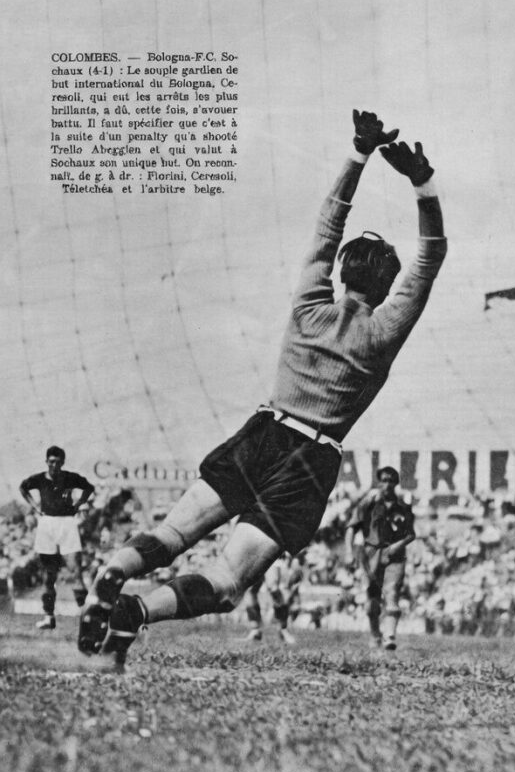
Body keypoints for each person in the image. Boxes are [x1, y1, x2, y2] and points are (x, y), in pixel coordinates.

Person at [78, 110, 447, 666]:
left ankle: (116, 572)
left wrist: (359, 152)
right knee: (226, 581)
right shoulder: (384, 332)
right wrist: (422, 180)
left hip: (263, 431)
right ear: (388, 284)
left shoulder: (309, 306)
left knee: (174, 532)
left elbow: (328, 226)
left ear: (343, 272)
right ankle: (135, 612)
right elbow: (433, 253)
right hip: (309, 459)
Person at [19, 446, 95, 630]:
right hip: (46, 524)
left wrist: (78, 504)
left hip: (67, 524)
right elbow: (23, 487)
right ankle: (48, 617)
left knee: (75, 570)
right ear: (46, 462)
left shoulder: (69, 477)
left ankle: (88, 619)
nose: (55, 465)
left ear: (63, 462)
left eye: (58, 461)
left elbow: (89, 487)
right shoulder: (39, 479)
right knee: (48, 575)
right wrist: (34, 505)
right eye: (51, 461)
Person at [345, 466, 415, 650]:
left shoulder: (403, 506)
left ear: (396, 483)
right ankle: (375, 635)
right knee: (371, 600)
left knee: (392, 593)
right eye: (384, 480)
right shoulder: (368, 503)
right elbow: (352, 527)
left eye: (391, 480)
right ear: (379, 482)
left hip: (395, 556)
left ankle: (389, 636)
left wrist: (396, 546)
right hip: (371, 554)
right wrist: (348, 552)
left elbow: (411, 534)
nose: (387, 484)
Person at [244, 553, 303, 645]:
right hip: (255, 554)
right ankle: (255, 630)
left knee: (273, 588)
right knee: (250, 590)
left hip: (271, 553)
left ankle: (283, 629)